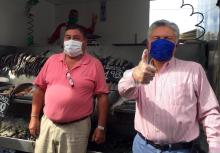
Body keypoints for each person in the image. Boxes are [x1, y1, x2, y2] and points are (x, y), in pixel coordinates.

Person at [118, 19, 220, 153]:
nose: (161, 41)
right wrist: (134, 77)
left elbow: (209, 111)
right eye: (156, 38)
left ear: (176, 44)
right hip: (143, 147)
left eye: (167, 38)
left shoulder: (193, 70)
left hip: (180, 150)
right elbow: (123, 91)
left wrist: (215, 146)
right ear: (148, 43)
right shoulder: (139, 72)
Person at [29, 24, 109, 153]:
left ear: (85, 43)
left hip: (77, 129)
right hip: (47, 125)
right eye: (68, 37)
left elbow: (102, 97)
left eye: (76, 38)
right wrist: (34, 117)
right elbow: (39, 89)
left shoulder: (95, 64)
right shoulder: (52, 60)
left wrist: (101, 127)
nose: (71, 41)